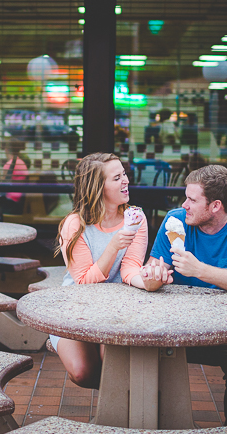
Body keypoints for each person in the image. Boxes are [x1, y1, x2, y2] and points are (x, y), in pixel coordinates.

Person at [141, 164, 227, 427]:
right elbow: (154, 267)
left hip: (225, 326)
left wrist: (199, 270)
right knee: (139, 358)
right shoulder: (175, 220)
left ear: (216, 206)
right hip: (171, 322)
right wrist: (154, 276)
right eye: (185, 197)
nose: (184, 205)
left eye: (192, 200)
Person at [53, 152, 160, 389]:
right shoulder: (75, 224)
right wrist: (113, 246)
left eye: (124, 175)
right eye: (116, 178)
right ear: (97, 187)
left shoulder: (136, 218)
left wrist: (148, 282)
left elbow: (130, 268)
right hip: (76, 307)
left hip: (116, 310)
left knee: (113, 363)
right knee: (84, 373)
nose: (126, 181)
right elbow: (82, 283)